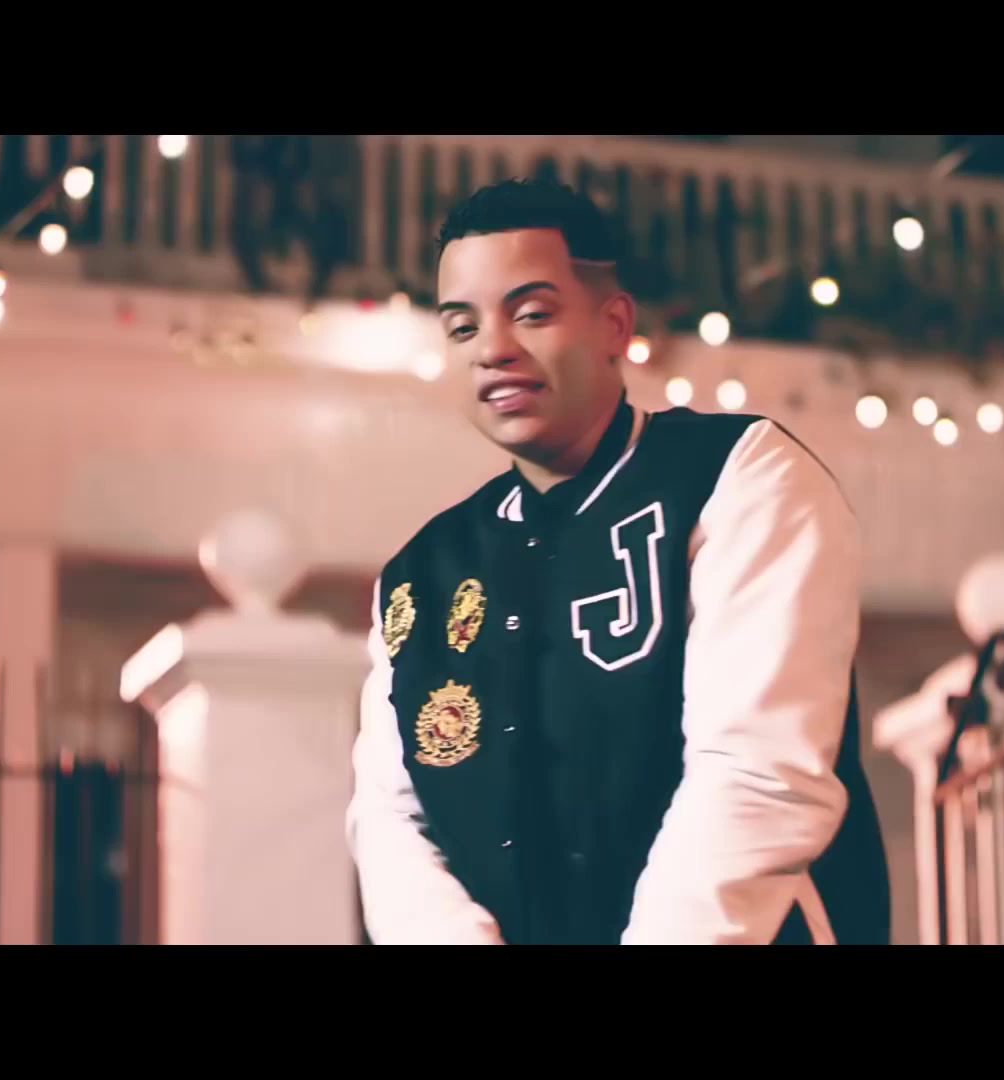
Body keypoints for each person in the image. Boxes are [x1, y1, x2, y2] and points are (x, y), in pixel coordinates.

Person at [344, 177, 889, 945]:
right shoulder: (420, 575)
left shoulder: (737, 475)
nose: (494, 349)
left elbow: (761, 774)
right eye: (462, 327)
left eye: (531, 314)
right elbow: (391, 821)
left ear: (614, 325)